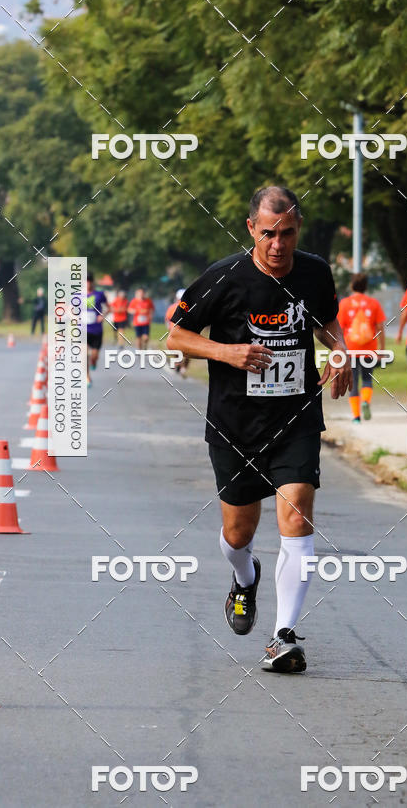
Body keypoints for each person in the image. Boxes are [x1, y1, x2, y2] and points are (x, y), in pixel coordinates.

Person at [167, 185, 352, 674]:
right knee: (237, 531)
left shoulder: (314, 271)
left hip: (295, 417)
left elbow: (327, 321)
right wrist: (228, 352)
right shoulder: (223, 277)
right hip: (234, 424)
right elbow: (175, 335)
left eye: (287, 233)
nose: (278, 244)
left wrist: (341, 348)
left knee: (297, 512)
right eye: (268, 233)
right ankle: (245, 577)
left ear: (298, 231)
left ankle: (283, 636)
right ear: (251, 229)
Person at [337, 273, 386, 422]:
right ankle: (366, 401)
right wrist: (381, 350)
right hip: (369, 350)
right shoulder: (373, 303)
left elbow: (339, 329)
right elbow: (380, 328)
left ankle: (356, 416)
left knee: (353, 382)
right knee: (367, 379)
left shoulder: (344, 303)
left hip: (350, 349)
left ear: (352, 286)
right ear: (366, 287)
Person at [85, 273, 108, 387]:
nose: (87, 283)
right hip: (82, 330)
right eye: (85, 281)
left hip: (97, 330)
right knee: (84, 354)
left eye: (89, 281)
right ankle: (87, 378)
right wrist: (74, 317)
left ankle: (94, 362)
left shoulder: (99, 294)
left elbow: (109, 307)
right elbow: (70, 309)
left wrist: (102, 315)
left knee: (94, 355)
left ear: (92, 282)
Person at [165, 289, 191, 377]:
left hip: (179, 332)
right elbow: (168, 318)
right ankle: (181, 366)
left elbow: (167, 319)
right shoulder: (189, 307)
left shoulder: (174, 307)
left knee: (176, 349)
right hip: (181, 332)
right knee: (185, 350)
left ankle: (180, 365)